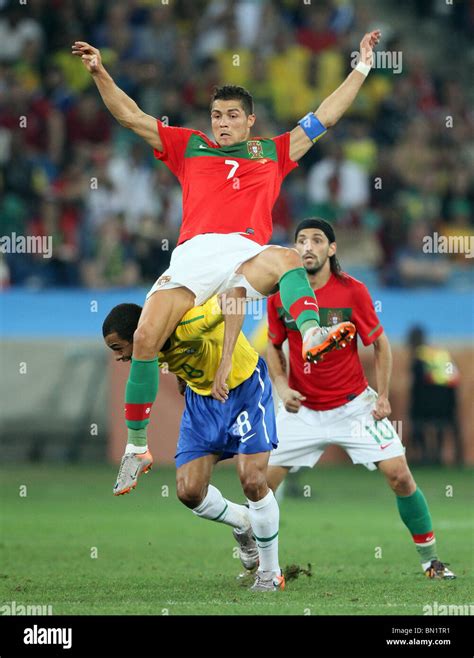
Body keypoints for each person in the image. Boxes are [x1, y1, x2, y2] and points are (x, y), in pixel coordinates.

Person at [72, 30, 381, 509]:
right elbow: (131, 117)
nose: (222, 123)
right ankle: (137, 446)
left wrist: (360, 66)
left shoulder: (274, 152)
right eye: (217, 115)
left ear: (250, 120)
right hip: (194, 255)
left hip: (243, 255)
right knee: (148, 335)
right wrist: (99, 73)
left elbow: (326, 116)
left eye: (233, 115)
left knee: (288, 258)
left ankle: (314, 332)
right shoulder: (188, 145)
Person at [265, 218, 456, 580]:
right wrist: (281, 385)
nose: (307, 247)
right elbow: (273, 346)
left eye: (317, 240)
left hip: (354, 407)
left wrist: (382, 396)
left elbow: (380, 344)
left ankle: (430, 561)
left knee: (400, 476)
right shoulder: (280, 295)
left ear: (331, 249)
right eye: (301, 240)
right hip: (300, 408)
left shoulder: (353, 291)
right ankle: (259, 565)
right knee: (258, 485)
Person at [102, 294, 284, 591]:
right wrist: (182, 375)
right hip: (202, 403)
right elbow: (177, 358)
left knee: (252, 480)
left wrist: (225, 361)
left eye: (118, 348)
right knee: (189, 492)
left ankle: (270, 573)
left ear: (140, 333)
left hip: (245, 391)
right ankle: (243, 523)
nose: (118, 357)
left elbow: (235, 300)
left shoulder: (189, 322)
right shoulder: (151, 351)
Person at [407, 326, 463, 466]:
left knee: (416, 419)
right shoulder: (440, 353)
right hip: (447, 403)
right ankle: (438, 455)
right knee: (442, 424)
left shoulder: (419, 357)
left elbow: (417, 386)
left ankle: (425, 455)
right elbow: (454, 377)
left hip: (427, 404)